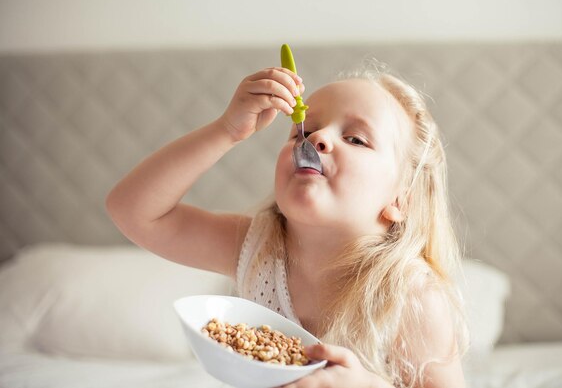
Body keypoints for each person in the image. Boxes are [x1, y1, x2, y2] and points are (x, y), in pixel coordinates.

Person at [106, 61, 468, 388]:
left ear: (400, 200)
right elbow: (133, 211)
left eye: (355, 138)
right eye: (302, 131)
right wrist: (227, 130)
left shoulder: (410, 296)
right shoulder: (257, 248)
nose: (317, 138)